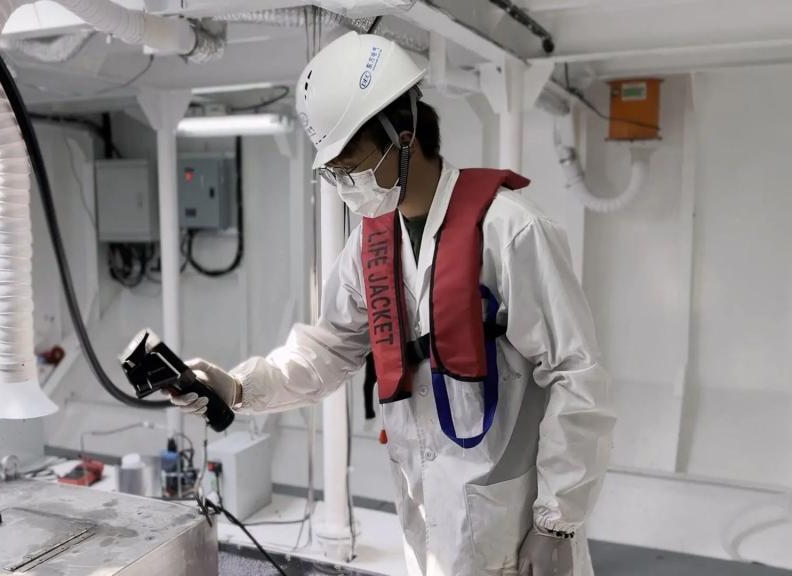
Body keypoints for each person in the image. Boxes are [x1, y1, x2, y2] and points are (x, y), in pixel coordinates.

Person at [170, 31, 615, 576]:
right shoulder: (369, 246)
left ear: (403, 138)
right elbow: (327, 350)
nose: (345, 184)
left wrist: (556, 523)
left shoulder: (511, 231)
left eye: (352, 164)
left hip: (513, 524)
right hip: (425, 518)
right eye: (334, 172)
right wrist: (238, 387)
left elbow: (577, 376)